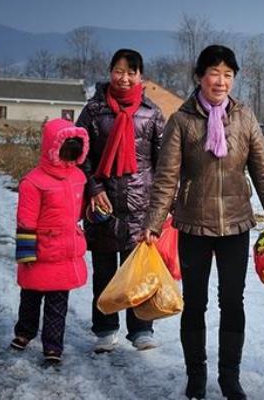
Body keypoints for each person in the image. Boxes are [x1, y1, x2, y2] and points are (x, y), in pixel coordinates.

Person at [141, 44, 264, 400]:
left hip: (236, 225)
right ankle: (196, 374)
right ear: (199, 76)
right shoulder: (181, 120)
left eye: (228, 74)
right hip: (193, 225)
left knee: (232, 301)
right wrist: (153, 222)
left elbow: (263, 174)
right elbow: (166, 179)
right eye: (214, 73)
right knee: (195, 303)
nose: (221, 81)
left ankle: (229, 376)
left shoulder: (245, 118)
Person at [76, 49, 165, 353]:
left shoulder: (152, 113)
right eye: (119, 71)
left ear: (141, 77)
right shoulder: (93, 111)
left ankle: (141, 329)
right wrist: (94, 188)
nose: (124, 78)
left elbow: (162, 164)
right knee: (104, 271)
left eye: (131, 72)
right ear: (110, 72)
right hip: (103, 205)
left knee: (137, 271)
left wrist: (160, 207)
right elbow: (80, 156)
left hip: (140, 206)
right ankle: (105, 329)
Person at [11, 118, 90, 365]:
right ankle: (24, 332)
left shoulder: (78, 177)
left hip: (64, 252)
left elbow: (80, 211)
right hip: (40, 251)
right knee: (31, 298)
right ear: (52, 147)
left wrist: (95, 213)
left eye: (76, 148)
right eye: (67, 146)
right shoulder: (33, 181)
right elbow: (26, 220)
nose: (72, 152)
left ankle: (53, 346)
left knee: (58, 304)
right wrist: (26, 253)